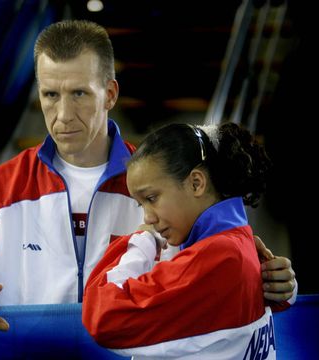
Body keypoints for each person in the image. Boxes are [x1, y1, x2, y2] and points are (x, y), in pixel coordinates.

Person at [0, 19, 296, 331]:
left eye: (79, 94)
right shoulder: (2, 188)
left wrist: (277, 287)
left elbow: (225, 265)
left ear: (109, 94)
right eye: (50, 95)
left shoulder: (164, 187)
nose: (62, 116)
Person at [82, 122, 291, 359]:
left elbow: (104, 316)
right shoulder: (235, 243)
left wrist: (142, 241)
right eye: (142, 204)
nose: (147, 217)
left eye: (152, 198)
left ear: (196, 183)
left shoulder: (220, 256)